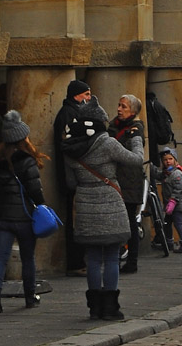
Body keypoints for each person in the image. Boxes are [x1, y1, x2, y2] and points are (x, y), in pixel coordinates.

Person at [62, 96, 144, 320]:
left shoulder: (71, 149)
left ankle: (94, 308)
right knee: (110, 256)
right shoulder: (107, 143)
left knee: (93, 258)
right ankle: (111, 308)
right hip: (110, 201)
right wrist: (137, 137)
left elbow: (70, 183)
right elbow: (136, 159)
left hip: (85, 203)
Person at [0, 110, 49, 313]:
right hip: (25, 217)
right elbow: (36, 191)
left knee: (0, 257)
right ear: (22, 138)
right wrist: (42, 206)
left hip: (1, 217)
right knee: (28, 258)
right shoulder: (28, 161)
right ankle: (30, 296)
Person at [53, 79, 92, 275]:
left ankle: (79, 261)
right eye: (86, 94)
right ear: (77, 95)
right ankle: (75, 262)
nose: (89, 98)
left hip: (73, 174)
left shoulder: (71, 112)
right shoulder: (69, 114)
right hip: (72, 175)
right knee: (75, 220)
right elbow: (69, 143)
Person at [107, 95, 146, 273]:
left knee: (129, 221)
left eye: (123, 107)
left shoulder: (135, 130)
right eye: (119, 105)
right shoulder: (114, 125)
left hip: (129, 181)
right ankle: (114, 257)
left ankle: (132, 261)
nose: (119, 109)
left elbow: (138, 156)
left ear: (133, 111)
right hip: (115, 180)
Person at [158, 148, 182, 253]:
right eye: (165, 160)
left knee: (178, 223)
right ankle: (169, 242)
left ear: (175, 159)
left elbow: (178, 189)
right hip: (168, 204)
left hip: (177, 204)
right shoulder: (167, 172)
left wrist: (173, 201)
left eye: (170, 159)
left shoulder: (177, 173)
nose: (168, 161)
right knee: (167, 223)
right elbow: (159, 175)